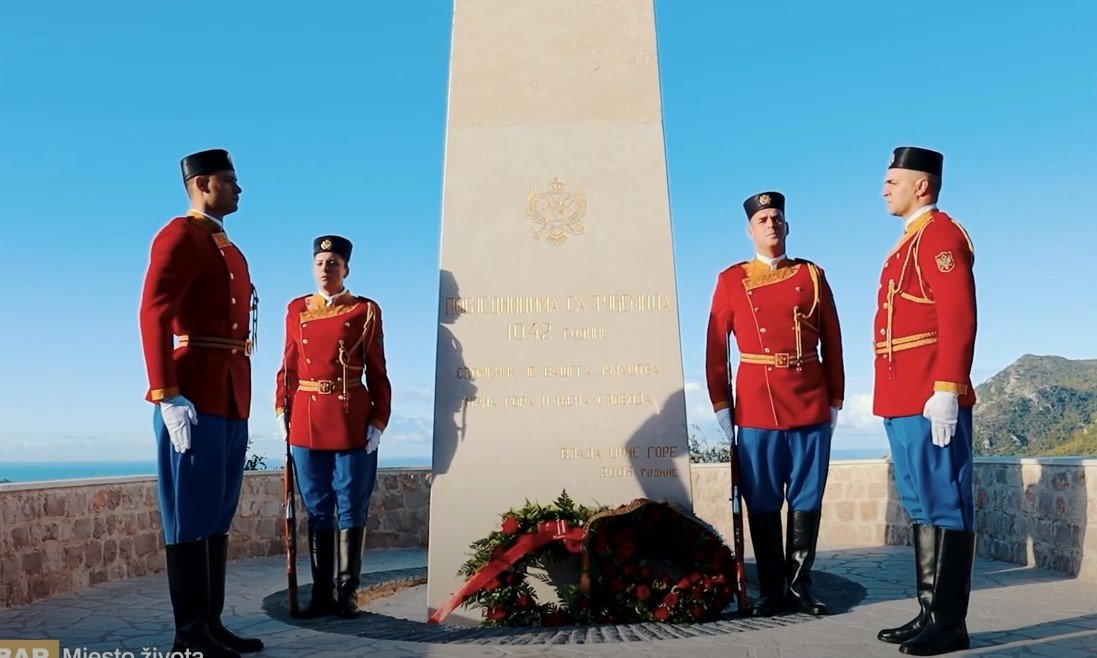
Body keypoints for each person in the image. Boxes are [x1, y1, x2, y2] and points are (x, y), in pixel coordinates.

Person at [138, 149, 262, 657]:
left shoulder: (227, 248)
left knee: (216, 514)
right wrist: (167, 395)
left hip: (230, 393)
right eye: (232, 180)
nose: (239, 189)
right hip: (192, 395)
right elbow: (153, 314)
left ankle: (210, 624)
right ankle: (187, 635)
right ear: (203, 183)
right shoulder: (180, 235)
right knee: (188, 515)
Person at [705, 191, 845, 617]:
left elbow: (833, 340)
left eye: (776, 217)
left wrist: (836, 398)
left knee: (807, 497)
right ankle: (771, 591)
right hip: (758, 403)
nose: (770, 224)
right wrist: (720, 402)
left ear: (787, 226)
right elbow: (715, 347)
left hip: (809, 397)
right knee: (763, 501)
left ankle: (801, 588)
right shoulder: (731, 280)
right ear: (750, 230)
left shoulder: (813, 275)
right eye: (762, 218)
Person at [874, 147, 977, 656]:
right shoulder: (904, 245)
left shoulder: (940, 236)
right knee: (921, 506)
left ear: (923, 185)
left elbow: (958, 314)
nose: (883, 189)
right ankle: (928, 613)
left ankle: (950, 624)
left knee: (947, 502)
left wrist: (947, 389)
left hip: (929, 395)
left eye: (893, 180)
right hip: (901, 397)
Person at [276, 235, 392, 619]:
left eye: (334, 263)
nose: (326, 268)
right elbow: (288, 366)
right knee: (318, 507)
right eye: (321, 262)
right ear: (313, 267)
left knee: (351, 505)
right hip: (307, 416)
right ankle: (320, 594)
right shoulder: (295, 309)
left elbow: (378, 371)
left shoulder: (365, 310)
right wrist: (281, 408)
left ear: (346, 270)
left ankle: (347, 594)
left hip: (350, 415)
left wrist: (378, 419)